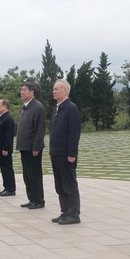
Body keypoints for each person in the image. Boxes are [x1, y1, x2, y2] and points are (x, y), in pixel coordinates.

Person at [49, 80, 81, 223]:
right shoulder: (57, 108)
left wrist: (72, 154)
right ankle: (65, 211)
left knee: (69, 185)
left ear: (65, 91)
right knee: (60, 185)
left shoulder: (71, 108)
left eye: (57, 89)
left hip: (66, 154)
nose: (54, 91)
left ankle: (74, 214)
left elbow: (74, 133)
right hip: (56, 152)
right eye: (53, 89)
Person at [14, 82, 45, 207]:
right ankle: (32, 198)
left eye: (24, 90)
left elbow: (39, 129)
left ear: (32, 92)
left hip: (32, 148)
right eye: (21, 90)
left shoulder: (38, 107)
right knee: (27, 175)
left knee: (34, 175)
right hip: (24, 147)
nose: (22, 92)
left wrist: (36, 146)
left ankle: (38, 200)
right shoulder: (24, 106)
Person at [0, 99, 16, 194]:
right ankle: (6, 187)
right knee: (3, 168)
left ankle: (10, 189)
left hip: (4, 149)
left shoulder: (8, 119)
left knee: (7, 168)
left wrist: (6, 148)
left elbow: (8, 135)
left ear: (5, 106)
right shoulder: (1, 117)